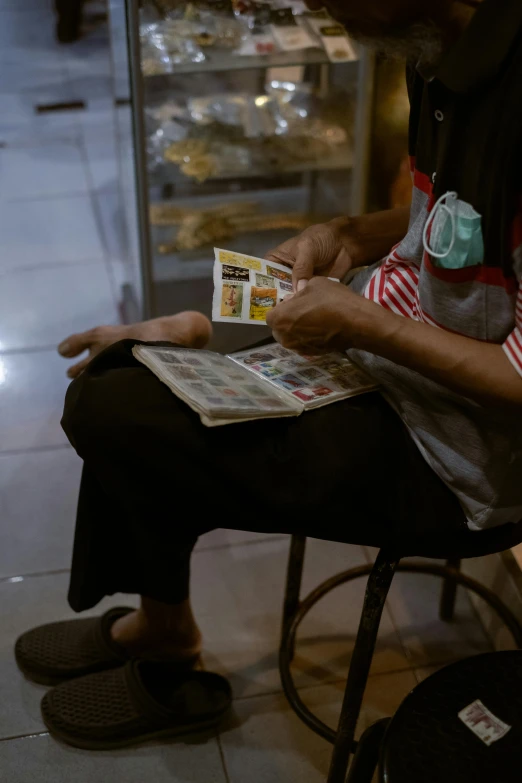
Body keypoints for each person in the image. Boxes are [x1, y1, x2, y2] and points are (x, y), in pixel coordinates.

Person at [16, 0, 522, 749]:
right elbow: (447, 213)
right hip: (389, 364)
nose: (317, 4)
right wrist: (346, 233)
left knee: (122, 413)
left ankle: (167, 647)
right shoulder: (439, 49)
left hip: (456, 457)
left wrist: (361, 323)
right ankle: (161, 625)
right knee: (121, 386)